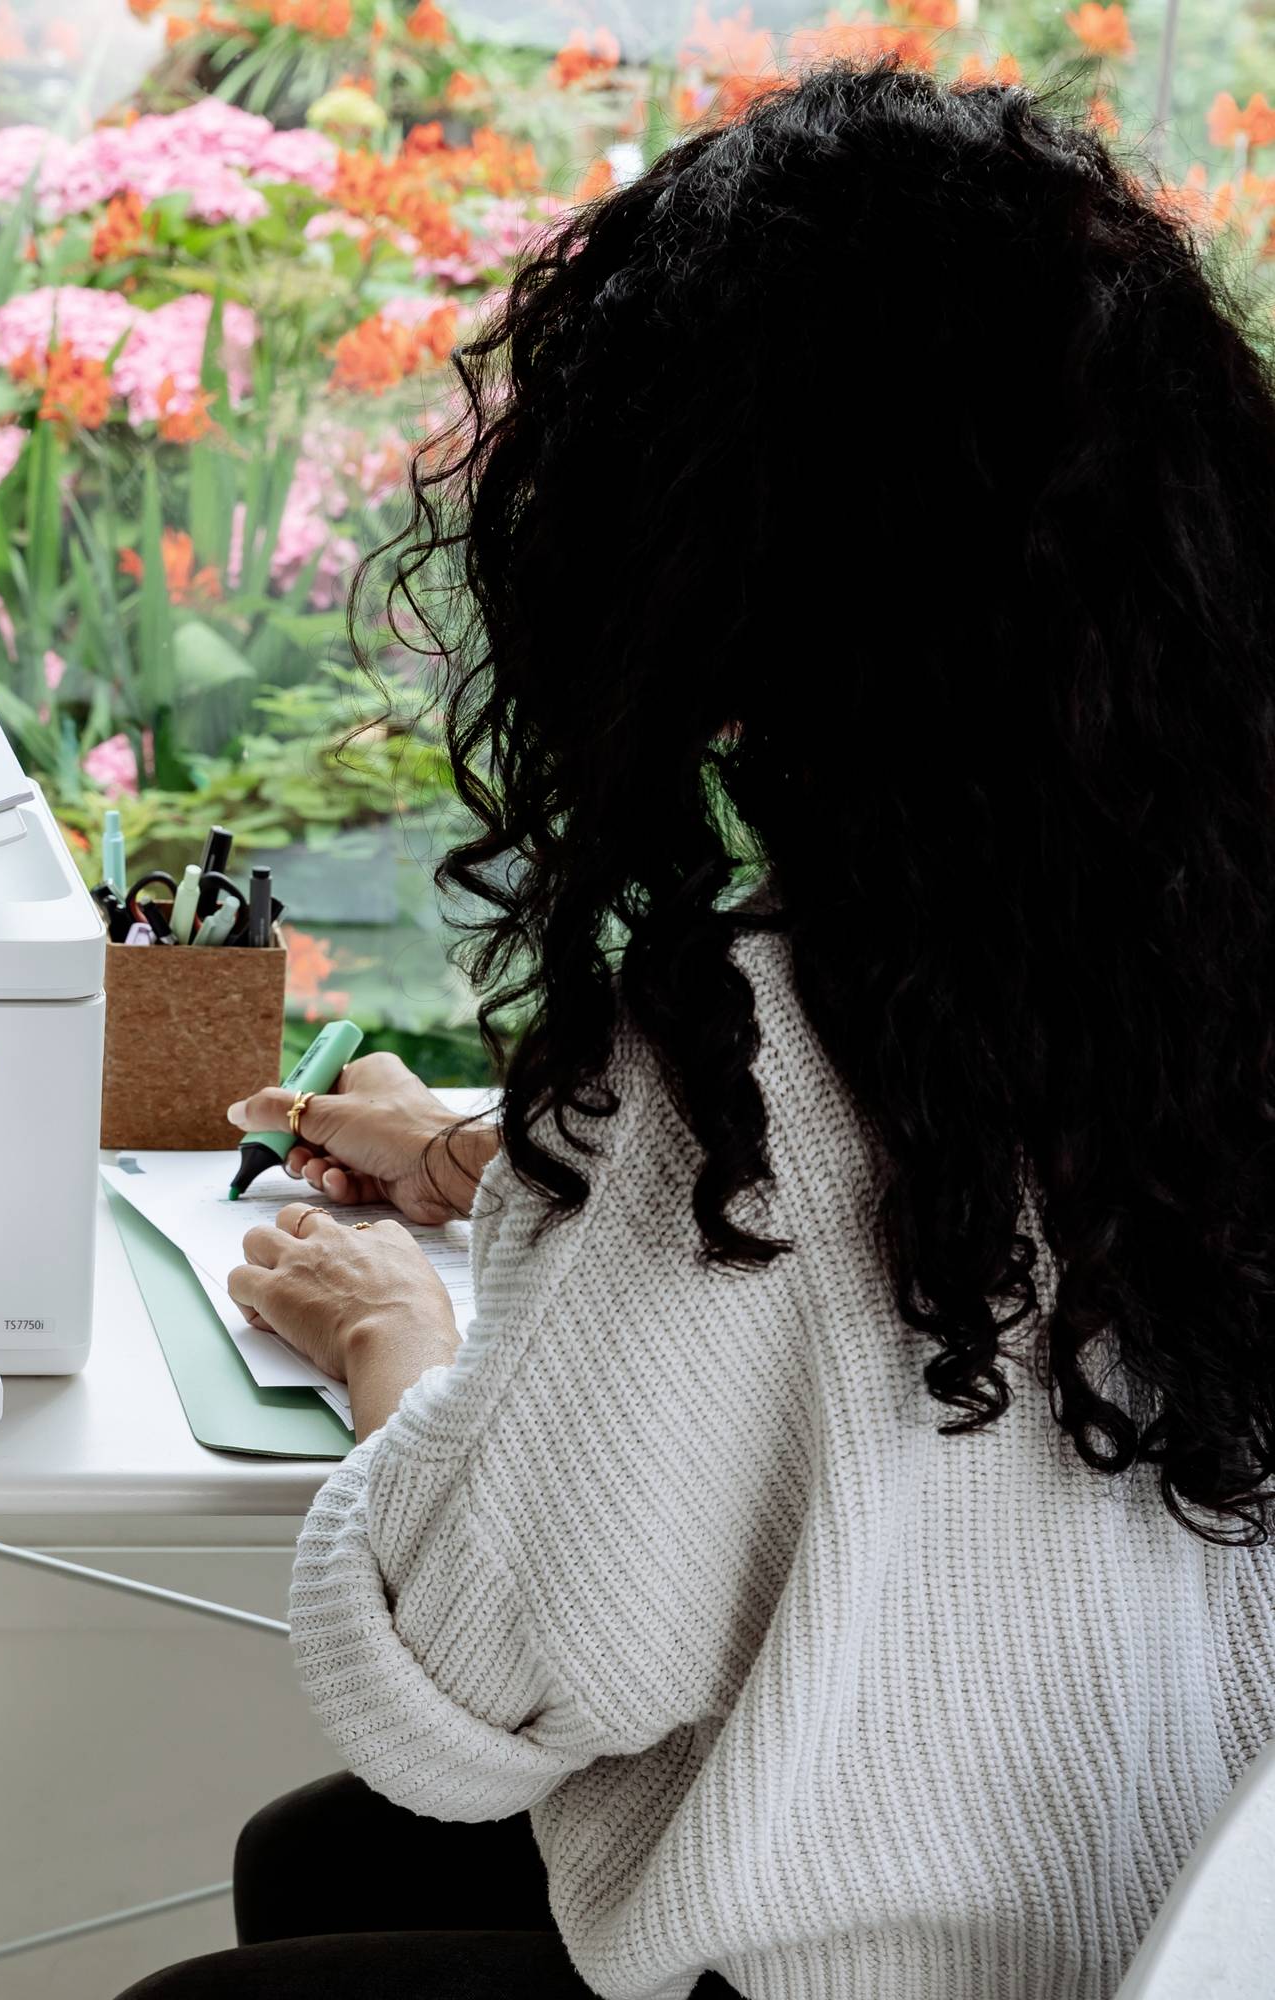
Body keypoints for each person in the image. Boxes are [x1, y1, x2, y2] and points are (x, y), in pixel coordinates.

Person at [115, 65, 1275, 2000]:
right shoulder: (1181, 960)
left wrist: (397, 1340)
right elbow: (927, 1264)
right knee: (314, 1864)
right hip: (1189, 1923)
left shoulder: (767, 1040)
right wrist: (521, 1163)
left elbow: (470, 1690)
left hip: (918, 1965)